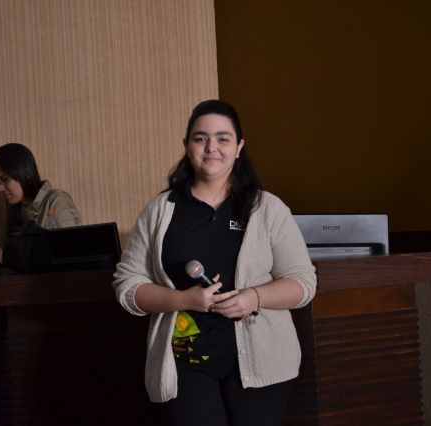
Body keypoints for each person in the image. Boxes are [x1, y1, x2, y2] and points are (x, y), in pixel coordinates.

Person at [112, 100, 316, 426]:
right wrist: (183, 300)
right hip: (184, 361)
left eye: (223, 138)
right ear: (186, 145)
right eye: (200, 138)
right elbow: (128, 285)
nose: (212, 148)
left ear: (239, 147)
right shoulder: (160, 210)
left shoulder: (267, 208)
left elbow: (303, 282)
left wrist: (254, 297)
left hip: (262, 361)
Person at [0, 143, 82, 266]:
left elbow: (70, 255)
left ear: (25, 173)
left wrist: (7, 258)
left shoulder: (57, 200)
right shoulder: (15, 212)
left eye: (5, 179)